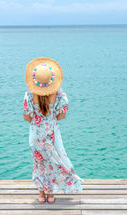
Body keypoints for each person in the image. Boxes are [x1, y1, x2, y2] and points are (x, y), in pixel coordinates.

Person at [23, 57, 84, 204]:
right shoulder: (58, 94)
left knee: (39, 164)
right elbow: (62, 115)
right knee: (53, 163)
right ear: (51, 79)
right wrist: (51, 117)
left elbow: (27, 117)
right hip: (51, 134)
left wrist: (38, 120)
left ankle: (41, 195)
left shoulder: (29, 95)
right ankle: (51, 195)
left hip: (36, 135)